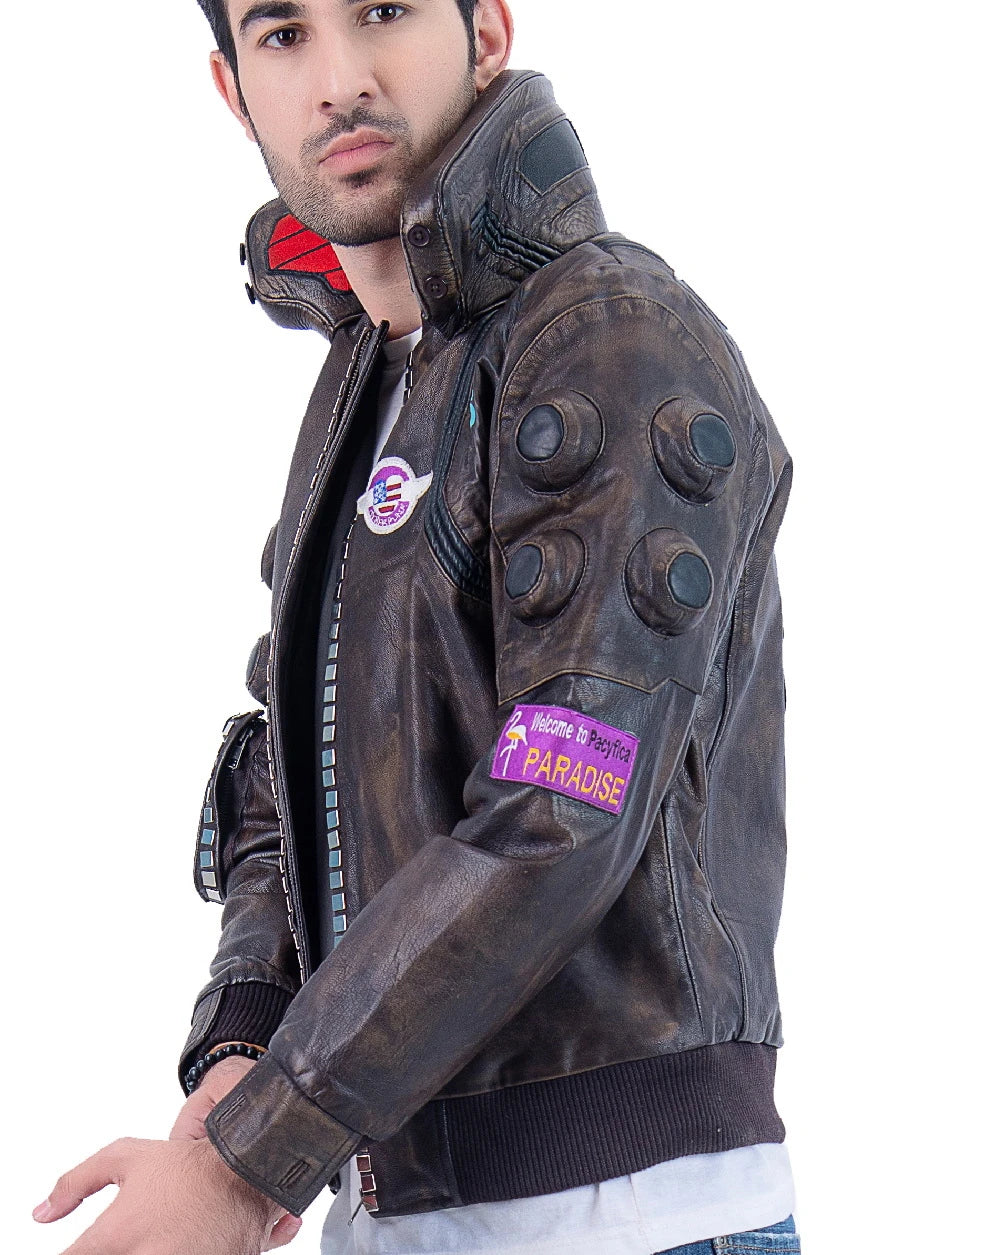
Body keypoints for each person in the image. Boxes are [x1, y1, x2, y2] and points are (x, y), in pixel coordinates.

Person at [33, 2, 799, 1252]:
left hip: (628, 1217)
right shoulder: (370, 373)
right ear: (233, 90)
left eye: (383, 10)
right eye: (284, 35)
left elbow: (563, 797)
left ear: (485, 31)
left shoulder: (609, 334)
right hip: (395, 1207)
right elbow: (292, 760)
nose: (339, 78)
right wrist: (242, 1051)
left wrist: (252, 1162)